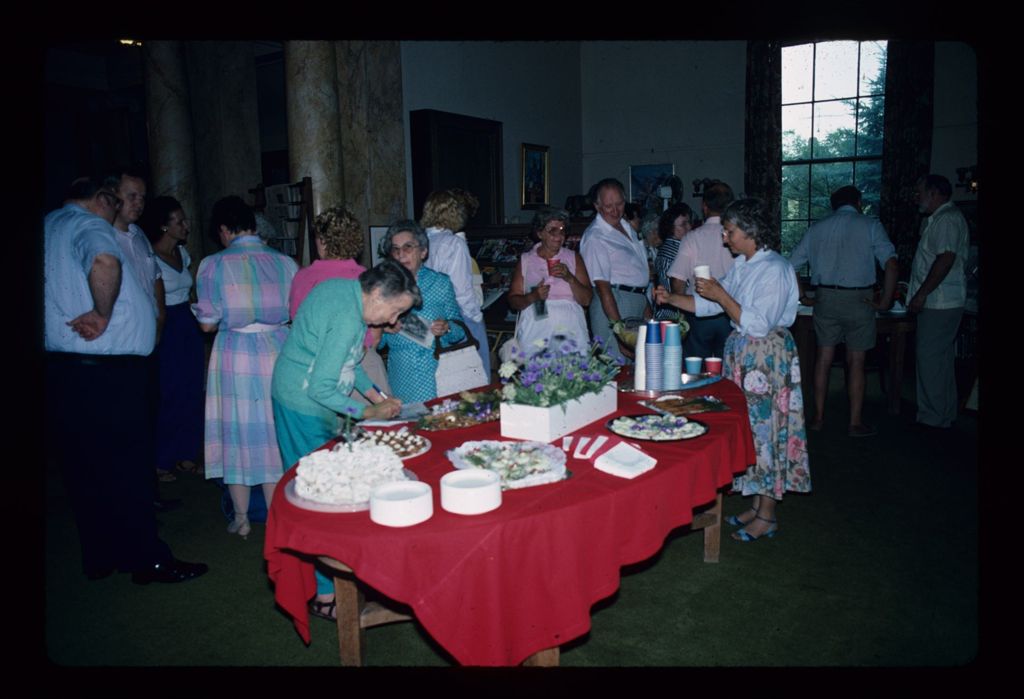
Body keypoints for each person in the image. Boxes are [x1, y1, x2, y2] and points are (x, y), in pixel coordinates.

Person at [44, 175, 207, 584]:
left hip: (67, 368)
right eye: (117, 200)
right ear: (101, 199)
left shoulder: (48, 225)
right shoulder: (88, 224)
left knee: (86, 468)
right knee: (129, 467)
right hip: (108, 369)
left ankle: (101, 556)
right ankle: (147, 560)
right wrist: (101, 314)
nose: (120, 208)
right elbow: (104, 260)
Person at [654, 198, 810, 542]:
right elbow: (710, 304)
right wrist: (672, 300)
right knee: (753, 430)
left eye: (730, 231)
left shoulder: (775, 269)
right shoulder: (744, 264)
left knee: (767, 431)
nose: (725, 238)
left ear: (751, 231)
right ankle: (757, 504)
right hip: (746, 357)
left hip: (766, 355)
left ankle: (767, 514)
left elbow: (756, 323)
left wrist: (722, 296)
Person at [271, 260, 418, 620]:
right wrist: (366, 414)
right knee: (318, 497)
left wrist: (375, 396)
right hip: (301, 402)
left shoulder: (348, 293)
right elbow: (323, 385)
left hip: (311, 394)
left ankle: (335, 579)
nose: (393, 321)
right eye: (395, 310)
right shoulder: (349, 317)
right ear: (378, 294)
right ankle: (324, 593)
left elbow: (346, 367)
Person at [194, 195, 298, 539]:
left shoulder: (212, 264)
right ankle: (273, 514)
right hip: (277, 349)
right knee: (271, 430)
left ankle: (240, 518)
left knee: (236, 430)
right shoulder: (286, 263)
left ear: (224, 230)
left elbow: (208, 324)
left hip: (235, 352)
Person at [788, 185, 898, 437]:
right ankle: (855, 423)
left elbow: (790, 264)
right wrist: (885, 301)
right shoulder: (870, 225)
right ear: (858, 202)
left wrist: (803, 295)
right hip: (860, 299)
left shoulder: (817, 228)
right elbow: (891, 265)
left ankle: (817, 418)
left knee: (823, 358)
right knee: (856, 360)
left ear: (833, 205)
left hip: (825, 297)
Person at [288, 205, 392, 402]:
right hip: (364, 367)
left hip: (319, 372)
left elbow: (298, 330)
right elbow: (375, 336)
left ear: (322, 240)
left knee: (332, 432)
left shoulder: (303, 278)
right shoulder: (367, 278)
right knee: (377, 429)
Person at [142, 196, 205, 476]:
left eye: (185, 219)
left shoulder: (184, 253)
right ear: (164, 227)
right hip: (164, 323)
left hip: (186, 322)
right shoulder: (149, 257)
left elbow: (189, 291)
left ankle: (187, 453)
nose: (186, 225)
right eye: (178, 221)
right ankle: (161, 459)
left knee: (192, 389)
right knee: (169, 392)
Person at [378, 220, 467, 402]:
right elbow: (375, 344)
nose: (401, 254)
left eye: (408, 247)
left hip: (435, 373)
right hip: (400, 374)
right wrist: (383, 328)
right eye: (395, 249)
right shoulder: (384, 286)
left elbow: (459, 331)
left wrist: (447, 328)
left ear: (424, 251)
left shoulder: (440, 283)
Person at [907, 174, 969, 429]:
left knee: (930, 358)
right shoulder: (940, 219)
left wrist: (921, 294)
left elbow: (945, 260)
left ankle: (933, 417)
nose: (916, 196)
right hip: (944, 301)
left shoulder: (946, 219)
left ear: (934, 193)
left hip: (939, 302)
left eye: (920, 191)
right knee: (941, 359)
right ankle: (944, 412)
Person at [421, 190, 491, 378]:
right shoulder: (453, 243)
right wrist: (476, 317)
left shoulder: (421, 240)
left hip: (428, 316)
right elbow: (461, 290)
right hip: (456, 316)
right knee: (475, 376)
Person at [580, 178, 652, 361]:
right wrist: (619, 333)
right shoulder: (595, 237)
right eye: (608, 206)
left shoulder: (627, 226)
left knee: (638, 369)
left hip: (636, 302)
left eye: (619, 203)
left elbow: (636, 275)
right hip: (614, 305)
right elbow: (603, 288)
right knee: (616, 368)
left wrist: (646, 307)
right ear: (597, 206)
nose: (615, 210)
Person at [506, 207, 593, 355]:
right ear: (540, 233)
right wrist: (533, 296)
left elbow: (586, 300)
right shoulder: (526, 260)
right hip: (536, 329)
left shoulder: (573, 257)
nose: (559, 236)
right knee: (536, 373)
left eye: (562, 231)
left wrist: (570, 278)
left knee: (571, 373)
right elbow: (513, 302)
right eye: (552, 231)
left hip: (570, 328)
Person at [667, 180, 736, 359]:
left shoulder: (692, 238)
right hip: (732, 311)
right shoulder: (738, 237)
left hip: (697, 313)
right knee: (727, 368)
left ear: (704, 207)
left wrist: (680, 311)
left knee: (695, 369)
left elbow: (678, 279)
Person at [653, 203, 694, 318]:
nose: (689, 227)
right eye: (683, 224)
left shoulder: (667, 248)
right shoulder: (676, 252)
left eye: (689, 222)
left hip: (667, 311)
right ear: (671, 228)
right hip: (673, 314)